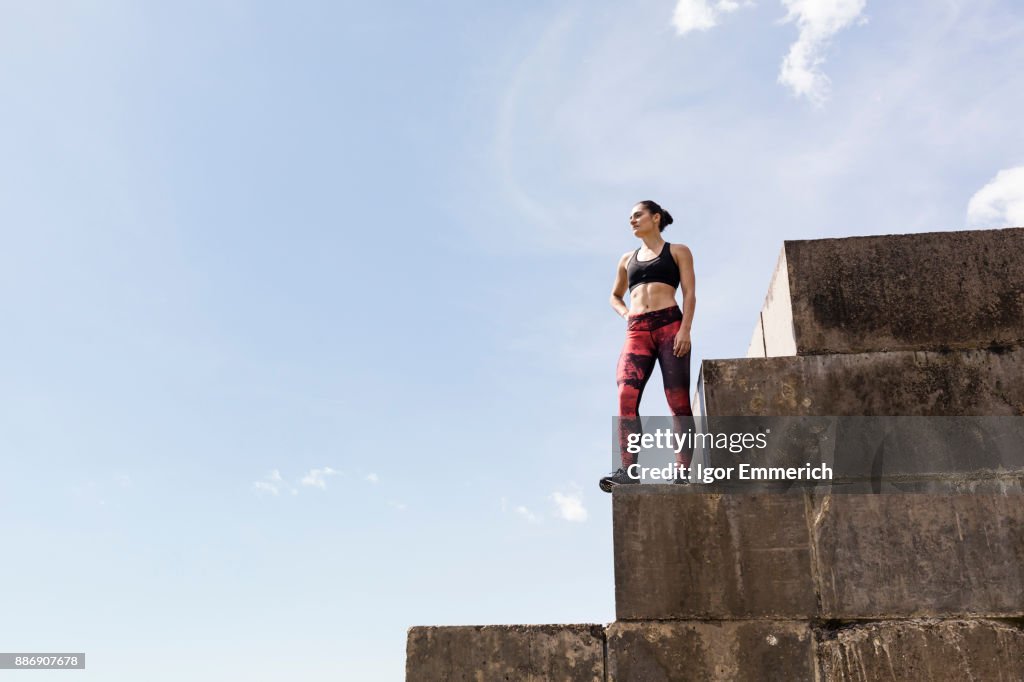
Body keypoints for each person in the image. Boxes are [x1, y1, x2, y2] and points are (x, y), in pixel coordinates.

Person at [599, 200, 696, 492]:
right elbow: (614, 296)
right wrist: (626, 313)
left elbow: (690, 294)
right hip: (637, 331)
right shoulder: (626, 259)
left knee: (677, 402)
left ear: (655, 218)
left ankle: (682, 470)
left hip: (670, 326)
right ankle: (628, 470)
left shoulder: (678, 251)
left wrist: (686, 330)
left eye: (638, 215)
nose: (632, 220)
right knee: (626, 396)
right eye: (630, 217)